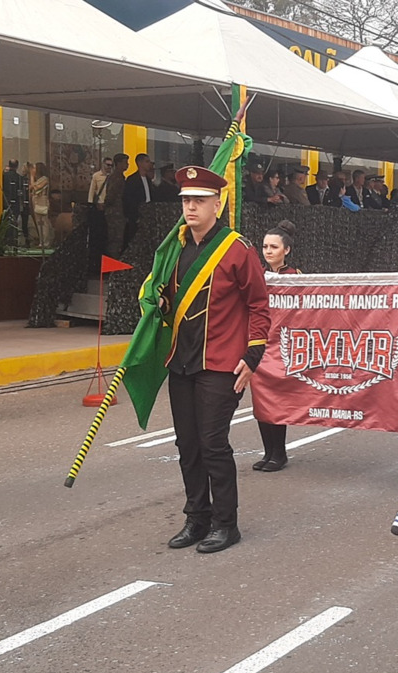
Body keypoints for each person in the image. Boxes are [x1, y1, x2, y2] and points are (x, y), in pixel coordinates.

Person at [164, 165, 271, 553]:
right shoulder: (175, 248)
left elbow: (259, 305)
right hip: (182, 360)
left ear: (217, 204)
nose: (190, 208)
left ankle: (227, 524)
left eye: (199, 201)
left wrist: (253, 354)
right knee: (187, 445)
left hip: (221, 361)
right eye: (186, 201)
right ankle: (197, 518)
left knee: (213, 444)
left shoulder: (237, 249)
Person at [252, 220, 299, 473]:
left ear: (287, 250)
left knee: (277, 401)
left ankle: (279, 453)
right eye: (265, 246)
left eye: (274, 247)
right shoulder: (256, 275)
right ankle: (268, 451)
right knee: (261, 400)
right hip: (259, 345)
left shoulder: (296, 278)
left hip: (283, 347)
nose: (268, 251)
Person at [123, 153, 154, 249]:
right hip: (137, 215)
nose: (149, 164)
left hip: (148, 214)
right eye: (147, 161)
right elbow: (128, 199)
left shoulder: (148, 180)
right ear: (140, 163)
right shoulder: (132, 180)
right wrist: (133, 215)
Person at [104, 153, 129, 255]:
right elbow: (111, 195)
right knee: (115, 240)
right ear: (118, 164)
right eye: (125, 162)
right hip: (115, 214)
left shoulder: (120, 177)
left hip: (118, 213)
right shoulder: (116, 178)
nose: (127, 165)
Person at [28, 162, 52, 250]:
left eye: (34, 168)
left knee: (44, 222)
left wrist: (31, 177)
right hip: (36, 201)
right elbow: (31, 187)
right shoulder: (38, 179)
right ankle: (41, 241)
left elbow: (36, 187)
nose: (33, 170)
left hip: (42, 201)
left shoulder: (44, 179)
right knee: (39, 222)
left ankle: (46, 242)